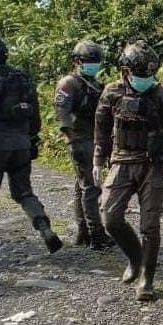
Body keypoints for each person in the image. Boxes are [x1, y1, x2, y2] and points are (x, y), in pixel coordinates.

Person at [93, 41, 163, 302]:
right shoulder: (112, 92)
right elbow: (101, 130)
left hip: (151, 165)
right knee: (110, 218)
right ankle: (135, 258)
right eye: (140, 74)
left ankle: (147, 277)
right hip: (121, 162)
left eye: (150, 75)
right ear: (126, 71)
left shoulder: (161, 94)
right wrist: (97, 160)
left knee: (150, 226)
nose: (146, 80)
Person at [0, 36, 62, 265]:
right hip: (22, 145)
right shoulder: (23, 78)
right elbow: (35, 118)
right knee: (24, 193)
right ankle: (44, 228)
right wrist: (29, 138)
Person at [53, 40, 112, 249]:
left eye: (96, 61)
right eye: (88, 60)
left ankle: (83, 232)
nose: (93, 64)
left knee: (82, 187)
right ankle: (96, 234)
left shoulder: (95, 83)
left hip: (94, 139)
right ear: (77, 61)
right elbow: (61, 111)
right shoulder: (68, 83)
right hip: (80, 140)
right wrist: (70, 136)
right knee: (91, 187)